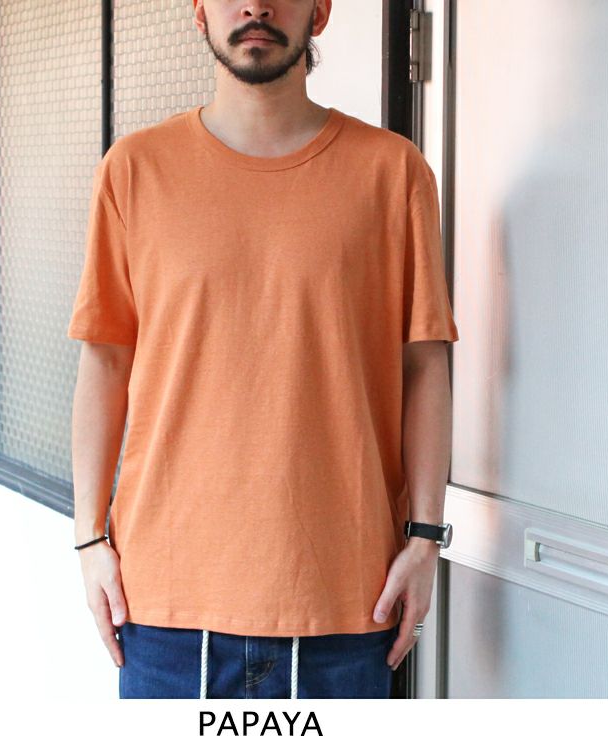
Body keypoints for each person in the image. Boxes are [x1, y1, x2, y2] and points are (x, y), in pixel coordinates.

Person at [68, 0, 458, 699]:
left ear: (320, 11)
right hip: (163, 605)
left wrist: (425, 537)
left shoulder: (393, 172)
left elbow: (424, 362)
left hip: (347, 599)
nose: (255, 5)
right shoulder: (134, 170)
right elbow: (105, 361)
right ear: (199, 12)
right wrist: (89, 539)